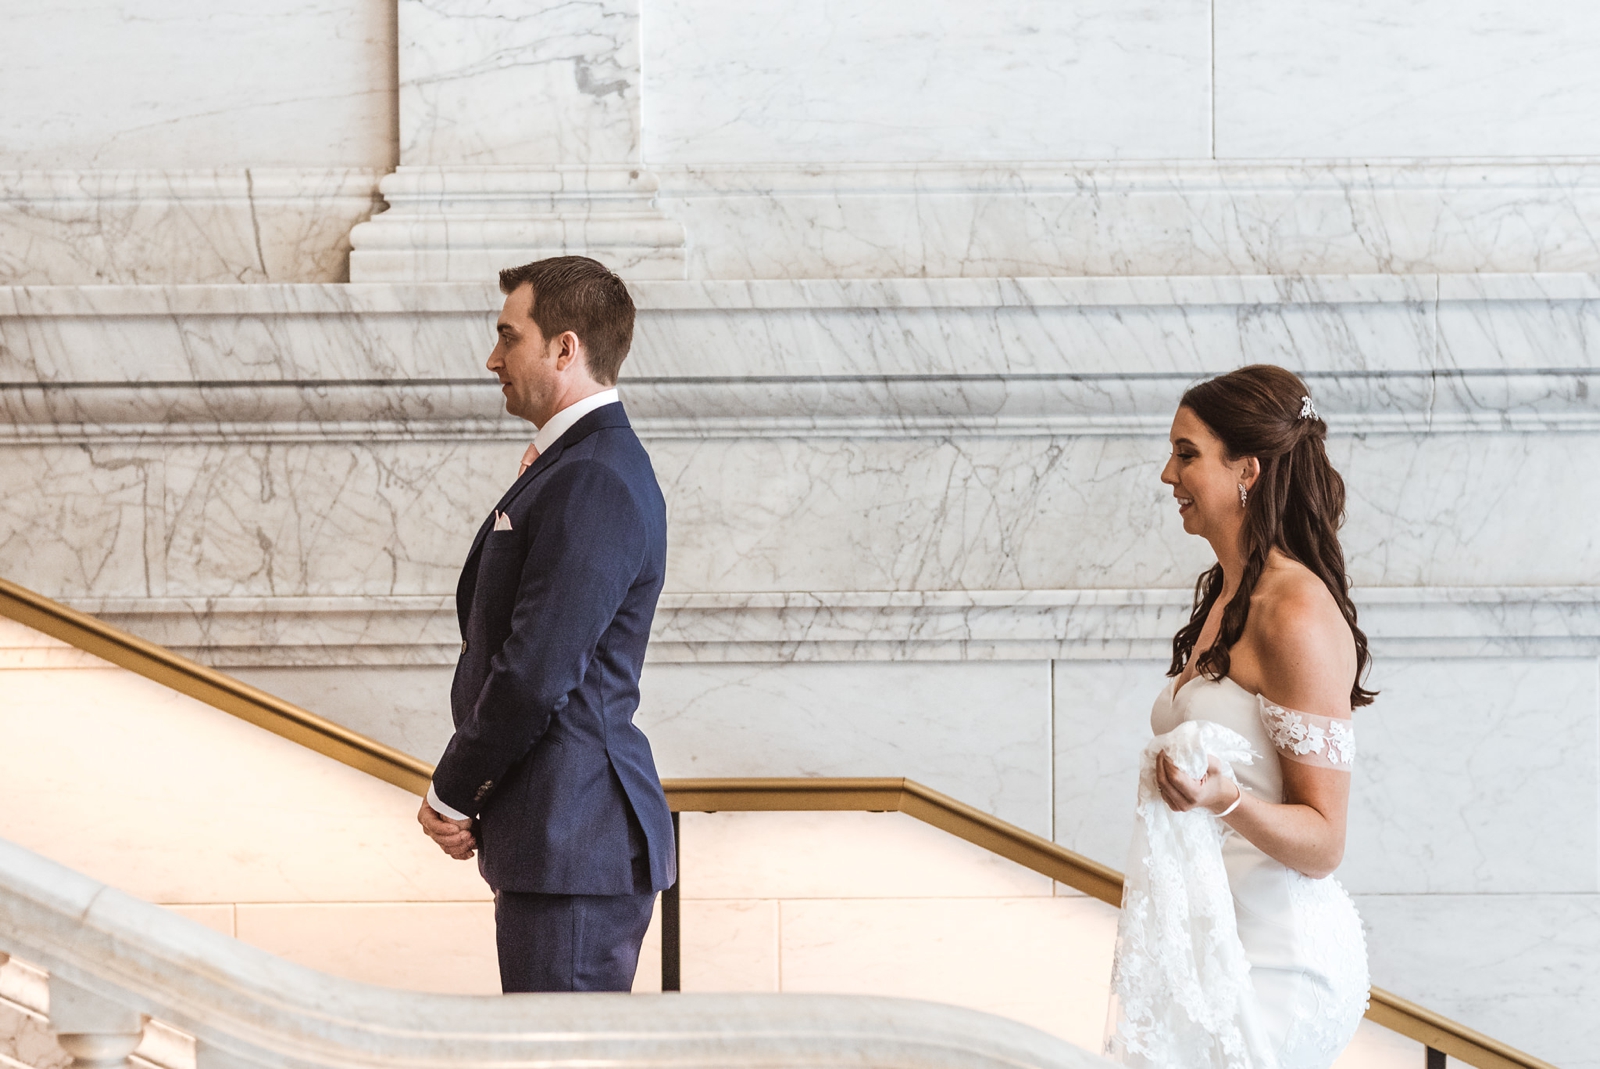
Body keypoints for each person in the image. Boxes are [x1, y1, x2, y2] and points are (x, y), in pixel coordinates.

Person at [415, 256, 675, 993]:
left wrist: (453, 791)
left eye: (508, 336)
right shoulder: (579, 464)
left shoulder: (594, 473)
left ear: (564, 348)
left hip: (576, 838)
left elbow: (534, 670)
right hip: (559, 839)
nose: (492, 358)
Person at [1107, 365, 1371, 1069]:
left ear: (1247, 469)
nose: (1168, 474)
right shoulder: (1225, 594)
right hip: (1218, 947)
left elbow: (1324, 839)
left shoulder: (1295, 609)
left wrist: (1227, 799)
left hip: (1278, 963)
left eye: (1186, 453)